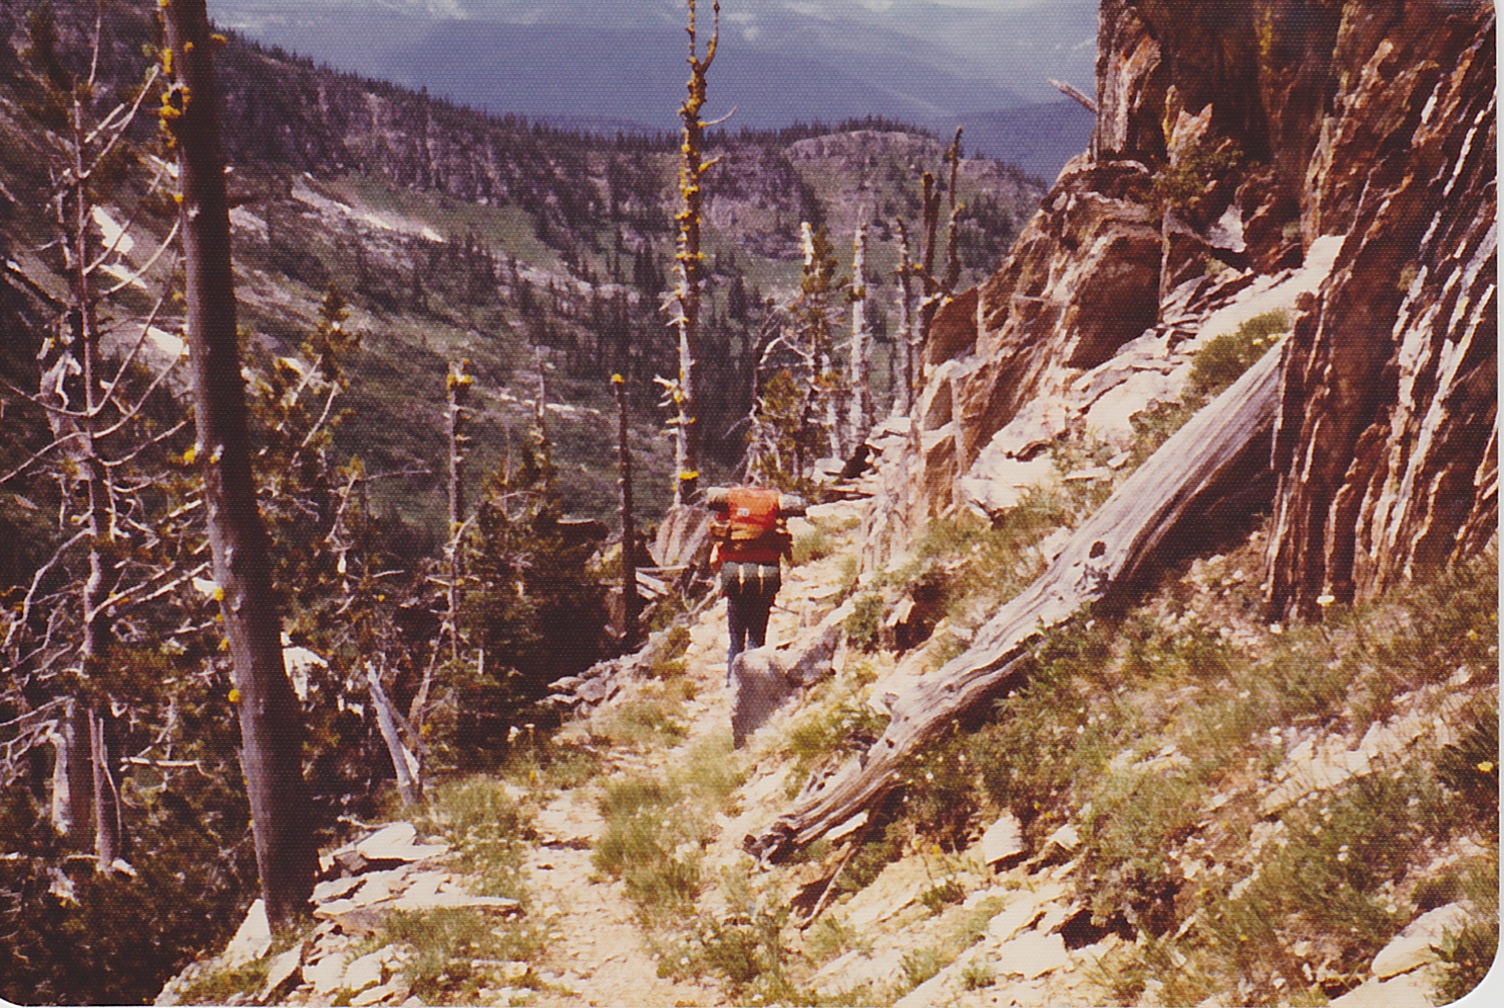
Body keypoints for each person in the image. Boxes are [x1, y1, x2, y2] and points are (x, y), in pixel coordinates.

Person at [703, 485, 808, 676]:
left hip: (736, 584)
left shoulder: (728, 533)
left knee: (736, 641)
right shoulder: (773, 530)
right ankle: (754, 684)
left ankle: (732, 684)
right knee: (756, 638)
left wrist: (723, 574)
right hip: (764, 583)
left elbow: (713, 561)